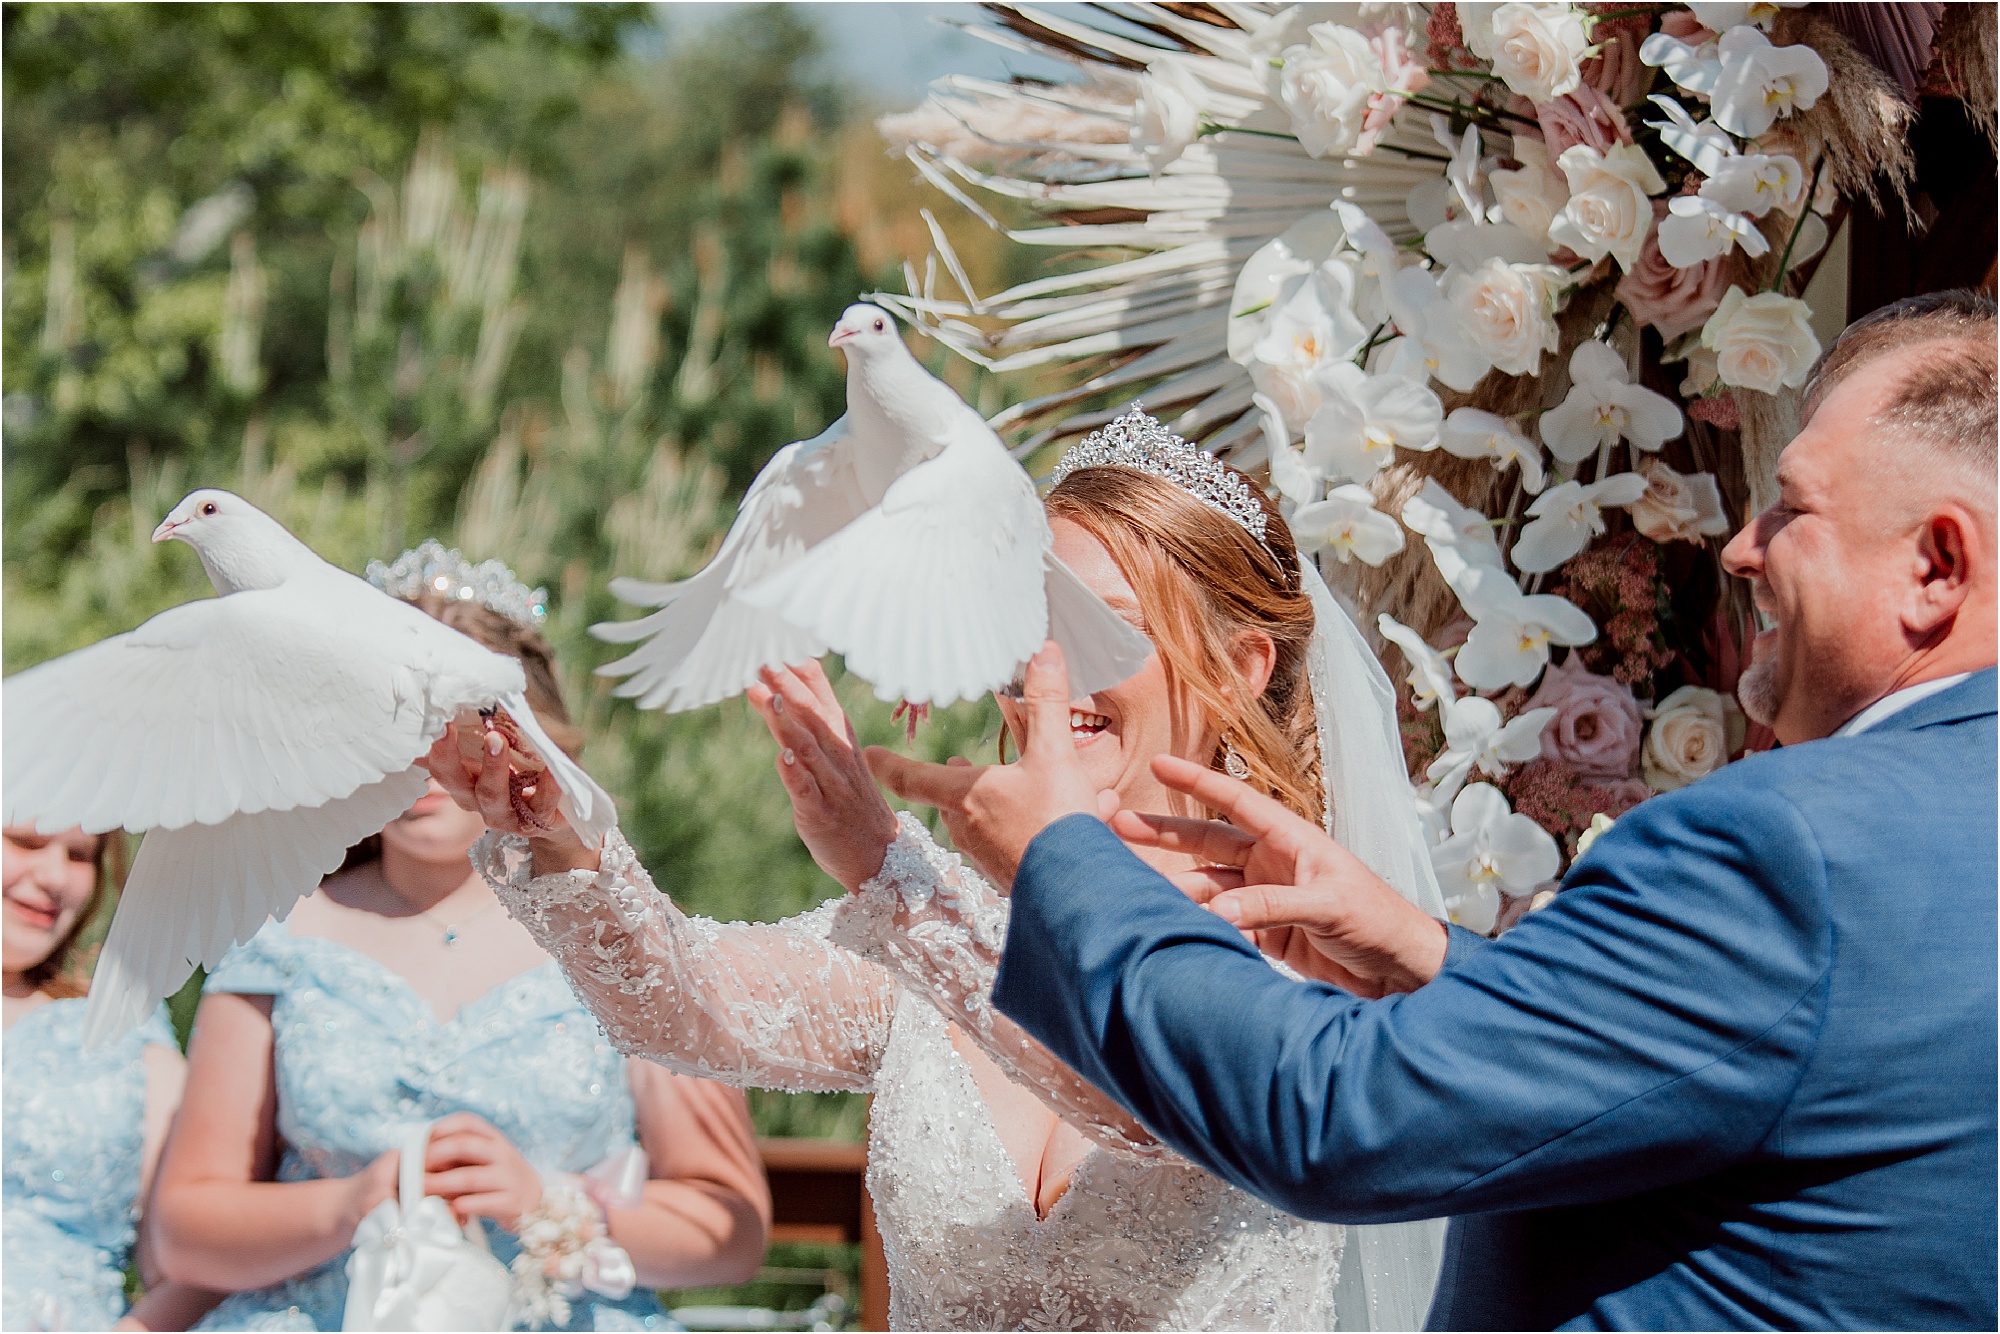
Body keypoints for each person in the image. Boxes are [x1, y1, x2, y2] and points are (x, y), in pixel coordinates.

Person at [870, 290, 2000, 1330]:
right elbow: (1716, 1071)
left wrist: (1065, 869)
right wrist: (1425, 952)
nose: (1742, 547)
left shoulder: (1784, 847)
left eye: (1789, 508)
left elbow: (1329, 1114)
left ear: (1936, 565)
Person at [428, 409, 1450, 1330]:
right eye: (1026, 622)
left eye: (1102, 626)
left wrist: (890, 875)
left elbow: (1149, 1101)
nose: (1044, 668)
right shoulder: (946, 907)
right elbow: (678, 1005)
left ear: (1238, 667)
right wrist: (552, 821)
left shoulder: (1308, 929)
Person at [147, 542, 770, 1332]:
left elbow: (732, 1229)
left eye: (460, 721)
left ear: (531, 734)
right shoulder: (277, 934)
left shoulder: (617, 930)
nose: (426, 755)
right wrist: (351, 1203)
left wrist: (550, 1208)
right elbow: (184, 1229)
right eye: (388, 719)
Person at [3, 823, 219, 1333]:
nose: (56, 876)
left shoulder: (122, 1035)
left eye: (79, 856)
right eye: (25, 842)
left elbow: (191, 1258)